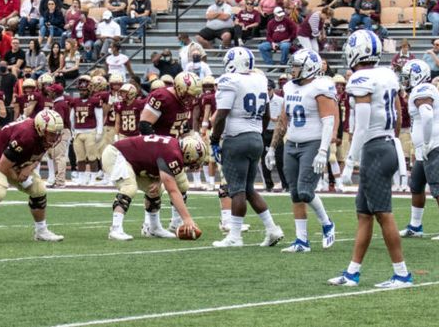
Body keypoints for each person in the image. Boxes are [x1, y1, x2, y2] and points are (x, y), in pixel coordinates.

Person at [330, 30, 410, 288]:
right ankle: (353, 272)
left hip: (374, 147)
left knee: (383, 214)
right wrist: (392, 140)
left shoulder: (361, 78)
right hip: (386, 142)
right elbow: (397, 112)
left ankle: (401, 274)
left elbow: (362, 125)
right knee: (364, 213)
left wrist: (349, 161)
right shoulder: (387, 74)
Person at [209, 49, 284, 248]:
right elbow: (267, 113)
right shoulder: (259, 79)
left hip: (237, 139)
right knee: (249, 189)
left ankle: (235, 236)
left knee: (237, 190)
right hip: (256, 137)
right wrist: (257, 131)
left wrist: (215, 139)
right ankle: (272, 229)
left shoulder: (229, 80)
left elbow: (222, 114)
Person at [268, 49, 338, 252]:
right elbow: (283, 119)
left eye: (297, 66)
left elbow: (328, 121)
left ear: (309, 67)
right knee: (295, 193)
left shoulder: (320, 86)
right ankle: (301, 241)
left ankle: (327, 223)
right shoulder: (289, 86)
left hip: (313, 143)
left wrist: (323, 150)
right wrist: (273, 148)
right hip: (292, 143)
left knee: (306, 191)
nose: (293, 69)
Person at [0, 111, 66, 244]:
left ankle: (41, 231)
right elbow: (3, 166)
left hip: (11, 160)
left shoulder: (42, 136)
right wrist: (18, 177)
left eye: (57, 133)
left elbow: (37, 156)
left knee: (39, 190)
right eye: (52, 133)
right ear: (41, 128)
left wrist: (28, 169)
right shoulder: (26, 136)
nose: (55, 137)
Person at [102, 133, 206, 241]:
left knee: (155, 189)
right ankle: (115, 229)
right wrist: (187, 219)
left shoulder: (173, 147)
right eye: (194, 161)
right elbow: (172, 191)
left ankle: (153, 228)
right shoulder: (173, 153)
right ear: (188, 155)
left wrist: (158, 180)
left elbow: (158, 159)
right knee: (129, 188)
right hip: (116, 154)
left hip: (130, 159)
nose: (192, 165)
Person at [399, 59, 439, 240]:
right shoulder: (424, 89)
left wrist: (425, 142)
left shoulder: (421, 90)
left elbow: (426, 115)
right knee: (416, 185)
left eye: (408, 77)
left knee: (438, 187)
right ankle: (415, 226)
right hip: (430, 146)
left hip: (435, 145)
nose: (406, 81)